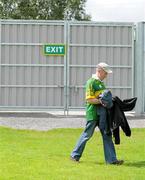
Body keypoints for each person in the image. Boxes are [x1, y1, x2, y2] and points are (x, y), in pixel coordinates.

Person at [70, 62, 124, 165]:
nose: (107, 75)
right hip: (93, 114)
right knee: (87, 135)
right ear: (99, 71)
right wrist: (103, 101)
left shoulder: (101, 83)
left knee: (107, 134)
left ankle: (111, 160)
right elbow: (89, 99)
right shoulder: (91, 82)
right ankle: (74, 155)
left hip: (102, 115)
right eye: (105, 73)